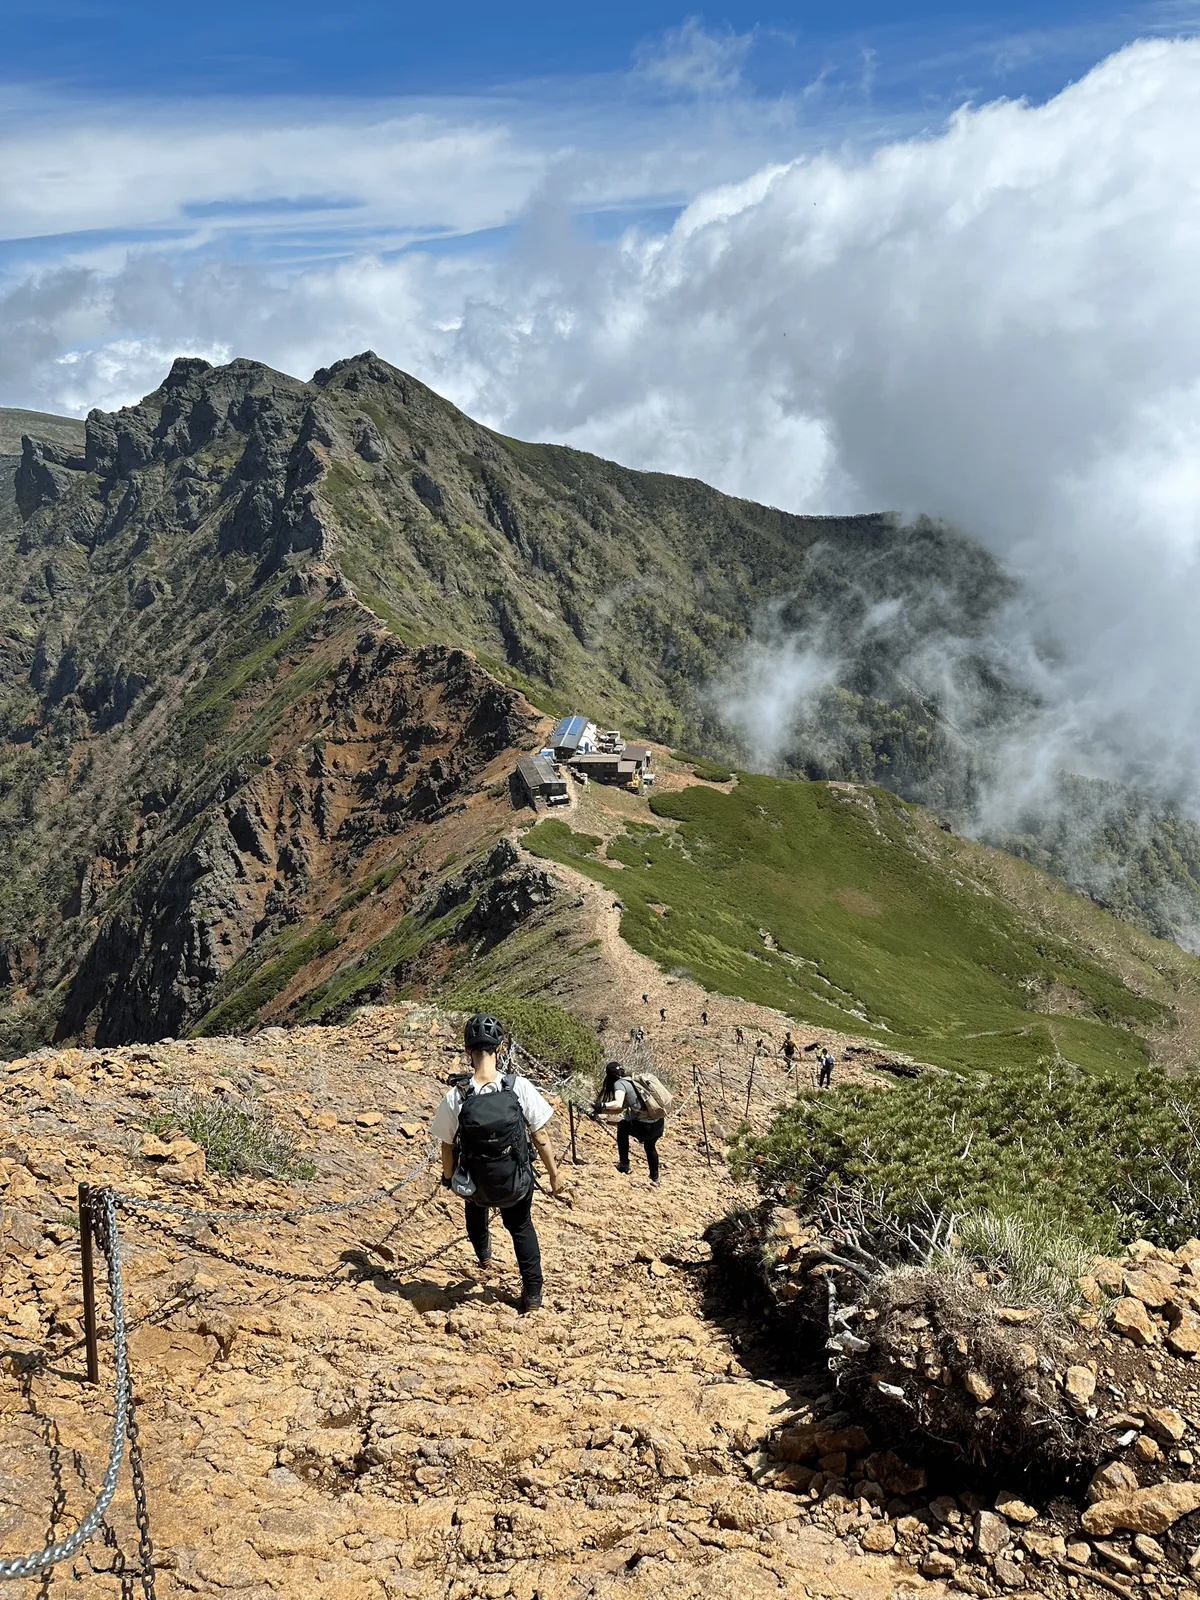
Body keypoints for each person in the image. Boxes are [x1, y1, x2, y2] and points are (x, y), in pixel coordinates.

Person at [429, 1013, 561, 1314]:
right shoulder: (517, 1086)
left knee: (475, 1213)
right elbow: (540, 1136)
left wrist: (449, 1178)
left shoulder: (457, 1096)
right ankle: (533, 1295)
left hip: (477, 1181)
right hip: (516, 1179)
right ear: (499, 1048)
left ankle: (484, 1256)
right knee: (521, 1227)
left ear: (467, 1051)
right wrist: (554, 1175)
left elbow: (447, 1147)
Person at [595, 1060, 664, 1186]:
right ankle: (655, 1177)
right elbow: (619, 1109)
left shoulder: (620, 1084)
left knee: (622, 1126)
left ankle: (624, 1164)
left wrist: (601, 1105)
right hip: (658, 1124)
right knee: (650, 1146)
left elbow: (617, 1104)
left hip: (644, 1128)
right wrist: (602, 1111)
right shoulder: (632, 1080)